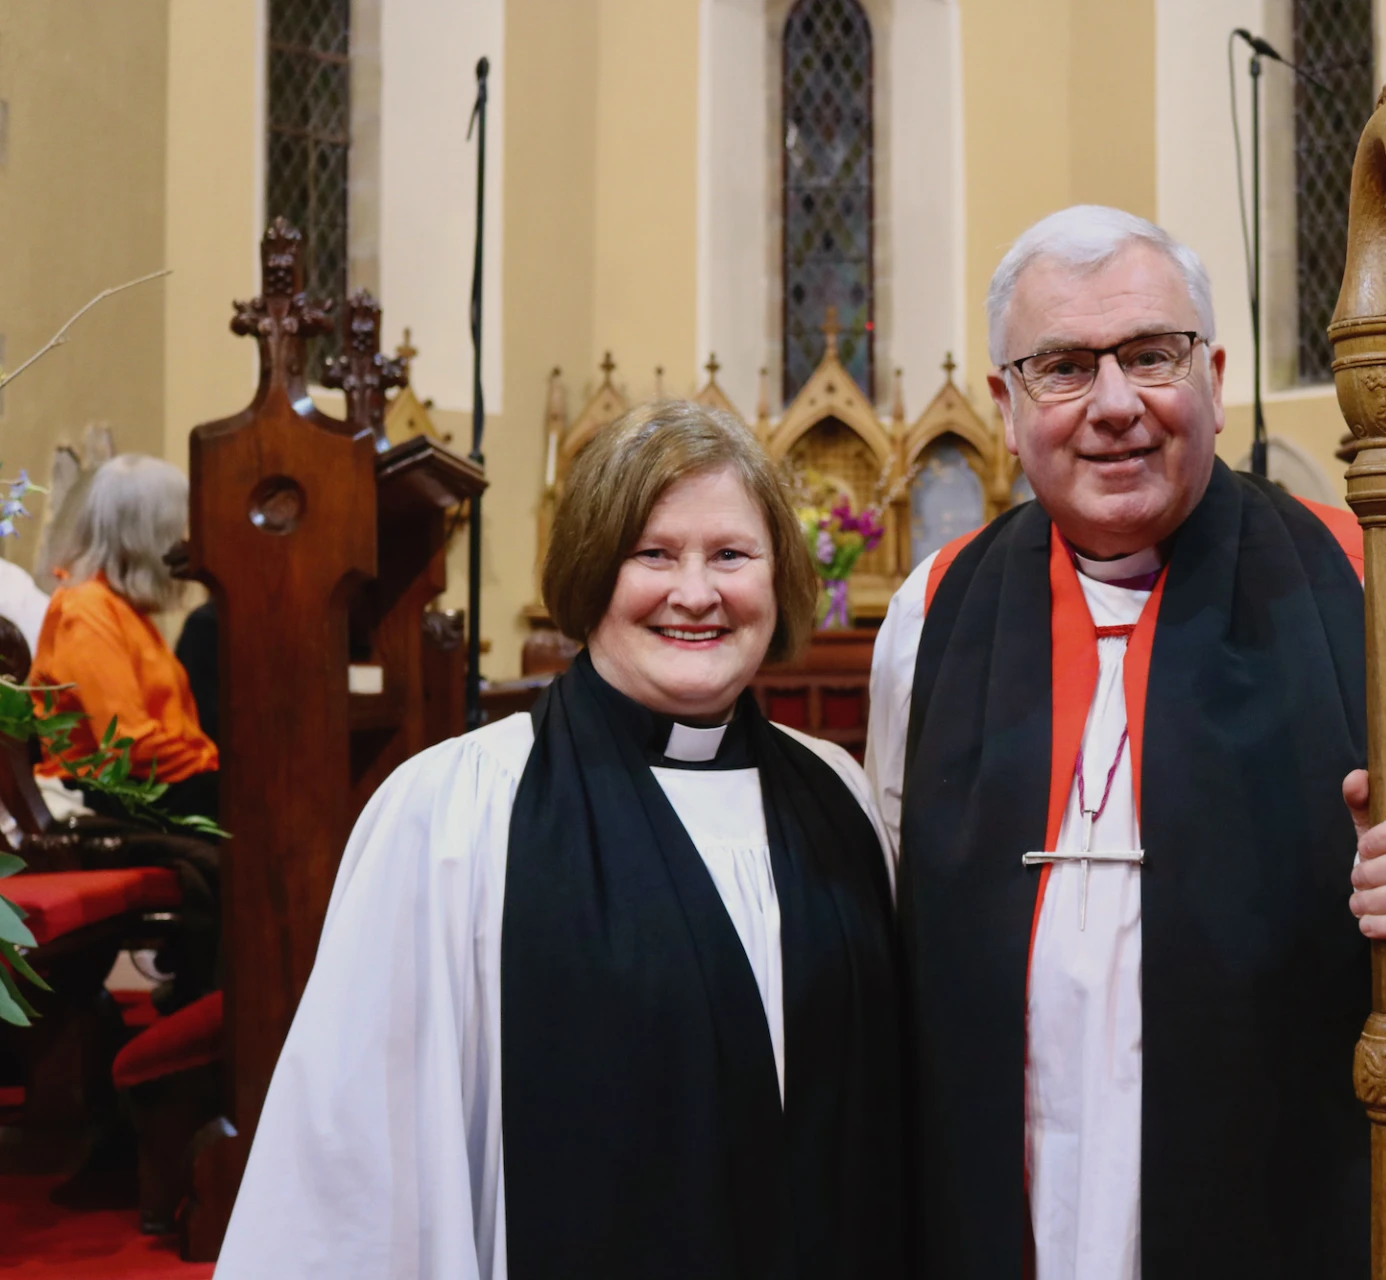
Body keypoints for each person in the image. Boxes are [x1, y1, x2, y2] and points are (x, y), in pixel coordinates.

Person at [867, 206, 1386, 1278]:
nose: (1115, 405)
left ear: (1213, 371)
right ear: (1006, 400)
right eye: (1066, 366)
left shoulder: (1362, 576)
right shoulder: (933, 610)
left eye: (1151, 356)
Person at [216, 402, 902, 1280]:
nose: (696, 593)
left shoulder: (834, 795)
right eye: (652, 554)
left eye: (730, 555)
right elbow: (357, 1158)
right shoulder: (457, 811)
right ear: (589, 572)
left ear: (780, 580)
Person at [30, 454, 218, 822]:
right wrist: (210, 763)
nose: (188, 540)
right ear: (149, 536)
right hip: (108, 795)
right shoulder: (85, 610)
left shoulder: (122, 608)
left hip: (159, 782)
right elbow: (126, 745)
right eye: (180, 526)